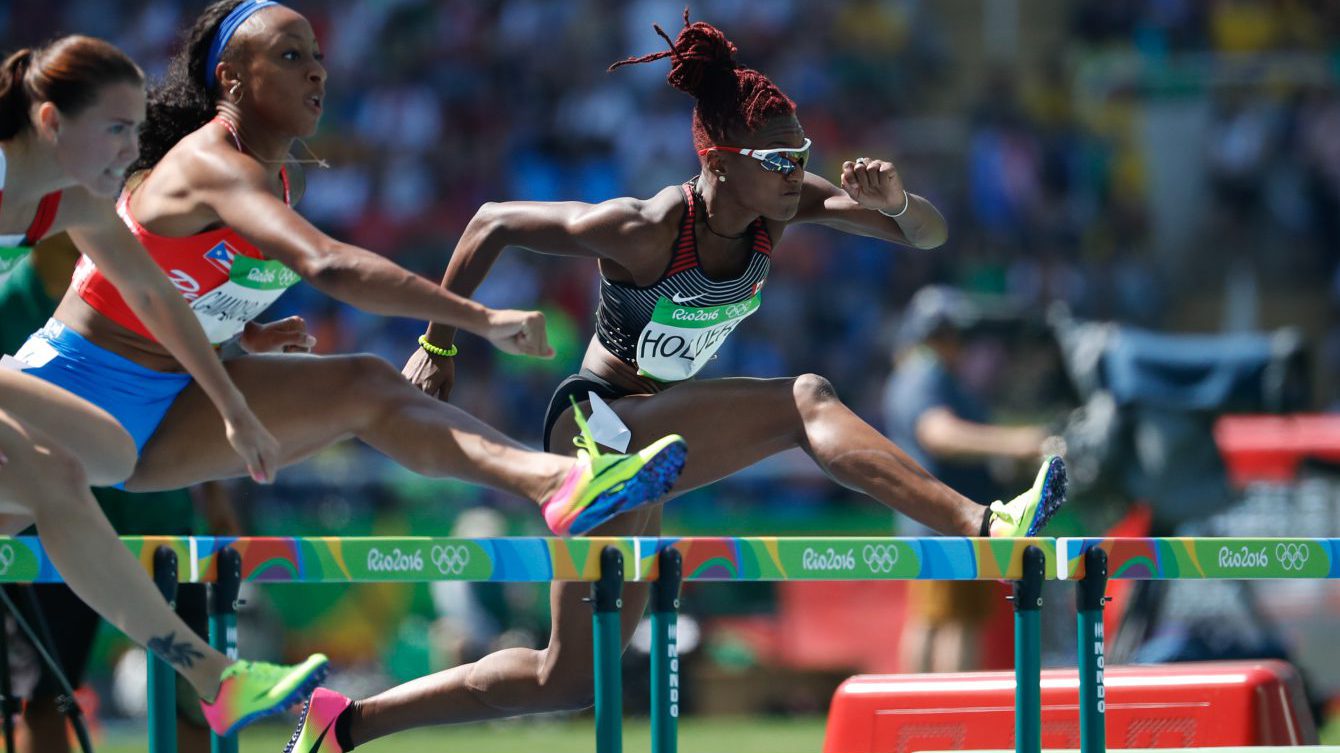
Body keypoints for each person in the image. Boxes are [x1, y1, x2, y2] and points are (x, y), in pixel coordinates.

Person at [287, 13, 1068, 751]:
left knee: (570, 677)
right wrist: (439, 343)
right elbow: (492, 220)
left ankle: (346, 723)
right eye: (780, 160)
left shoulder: (784, 206)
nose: (798, 171)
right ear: (720, 162)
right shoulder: (647, 226)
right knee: (806, 400)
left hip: (656, 435)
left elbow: (926, 234)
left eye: (801, 154)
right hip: (595, 425)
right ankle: (983, 524)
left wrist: (897, 203)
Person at [18, 0, 686, 541]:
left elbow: (172, 291)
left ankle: (560, 483)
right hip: (74, 390)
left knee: (367, 385)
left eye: (318, 56)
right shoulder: (208, 163)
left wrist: (244, 336)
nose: (316, 72)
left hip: (168, 408)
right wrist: (478, 317)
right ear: (232, 79)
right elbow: (329, 265)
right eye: (290, 56)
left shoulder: (286, 181)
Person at [0, 34, 327, 739]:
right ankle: (214, 675)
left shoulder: (72, 203)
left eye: (137, 129)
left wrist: (233, 405)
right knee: (66, 467)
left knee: (102, 457)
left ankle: (213, 677)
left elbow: (155, 296)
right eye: (116, 129)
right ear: (51, 122)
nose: (131, 151)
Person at [0, 233, 268, 753]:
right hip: (50, 524)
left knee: (193, 704)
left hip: (155, 508)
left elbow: (182, 390)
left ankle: (206, 672)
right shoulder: (11, 300)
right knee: (47, 699)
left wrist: (214, 495)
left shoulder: (134, 282)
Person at [883, 286, 1055, 673]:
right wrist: (1020, 443)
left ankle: (934, 705)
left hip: (950, 521)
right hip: (941, 521)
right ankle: (943, 706)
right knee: (947, 621)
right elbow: (938, 434)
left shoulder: (934, 375)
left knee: (948, 618)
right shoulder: (923, 373)